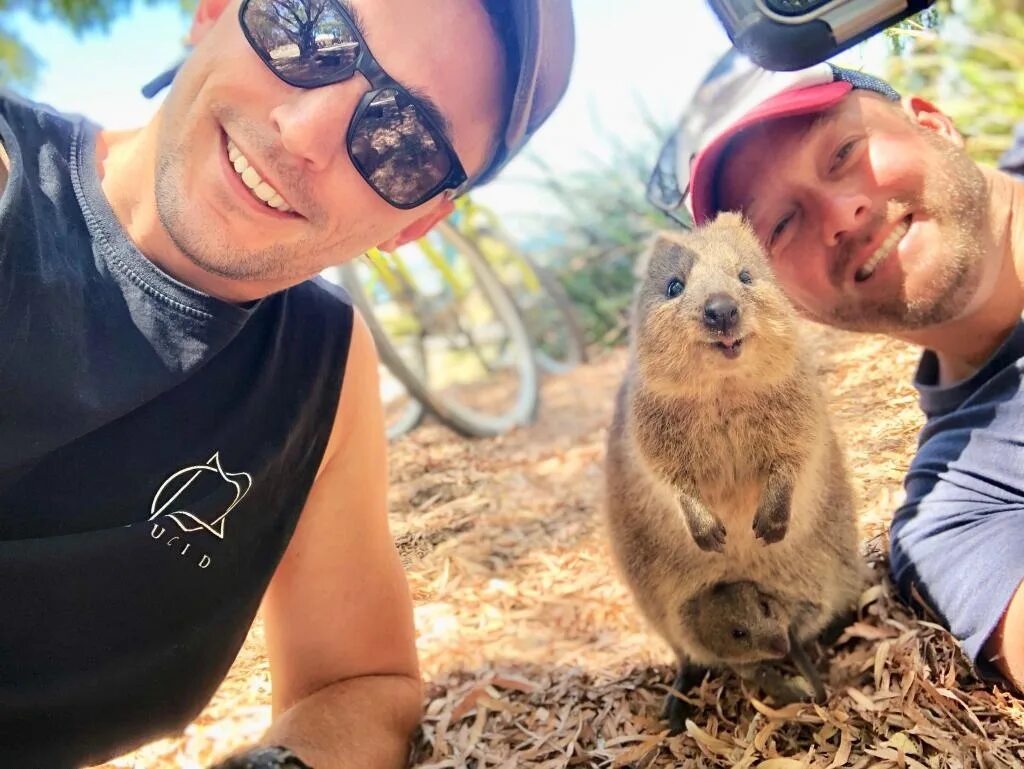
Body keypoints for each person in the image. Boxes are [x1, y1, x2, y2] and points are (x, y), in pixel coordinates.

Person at [0, 0, 574, 766]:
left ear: (413, 226)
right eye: (305, 29)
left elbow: (362, 682)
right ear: (212, 12)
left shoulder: (319, 376)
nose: (306, 135)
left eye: (404, 142)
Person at [648, 54, 1024, 692]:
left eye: (844, 151)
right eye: (783, 225)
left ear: (933, 123)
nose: (841, 212)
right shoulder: (959, 513)